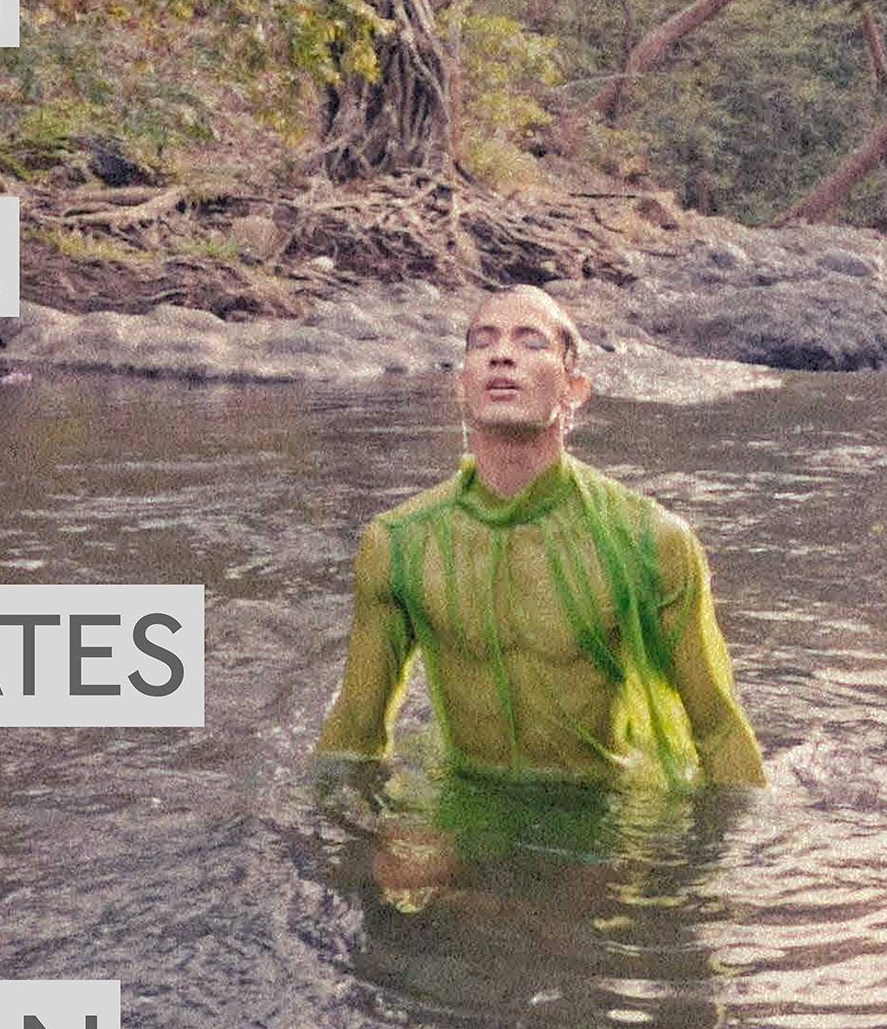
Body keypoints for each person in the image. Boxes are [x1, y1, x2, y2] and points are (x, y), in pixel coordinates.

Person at [316, 285, 766, 790]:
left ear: (574, 388)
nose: (502, 354)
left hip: (600, 812)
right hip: (467, 801)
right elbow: (355, 732)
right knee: (406, 869)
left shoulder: (651, 540)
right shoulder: (398, 544)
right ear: (461, 386)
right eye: (483, 342)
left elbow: (720, 728)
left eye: (531, 342)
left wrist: (734, 863)